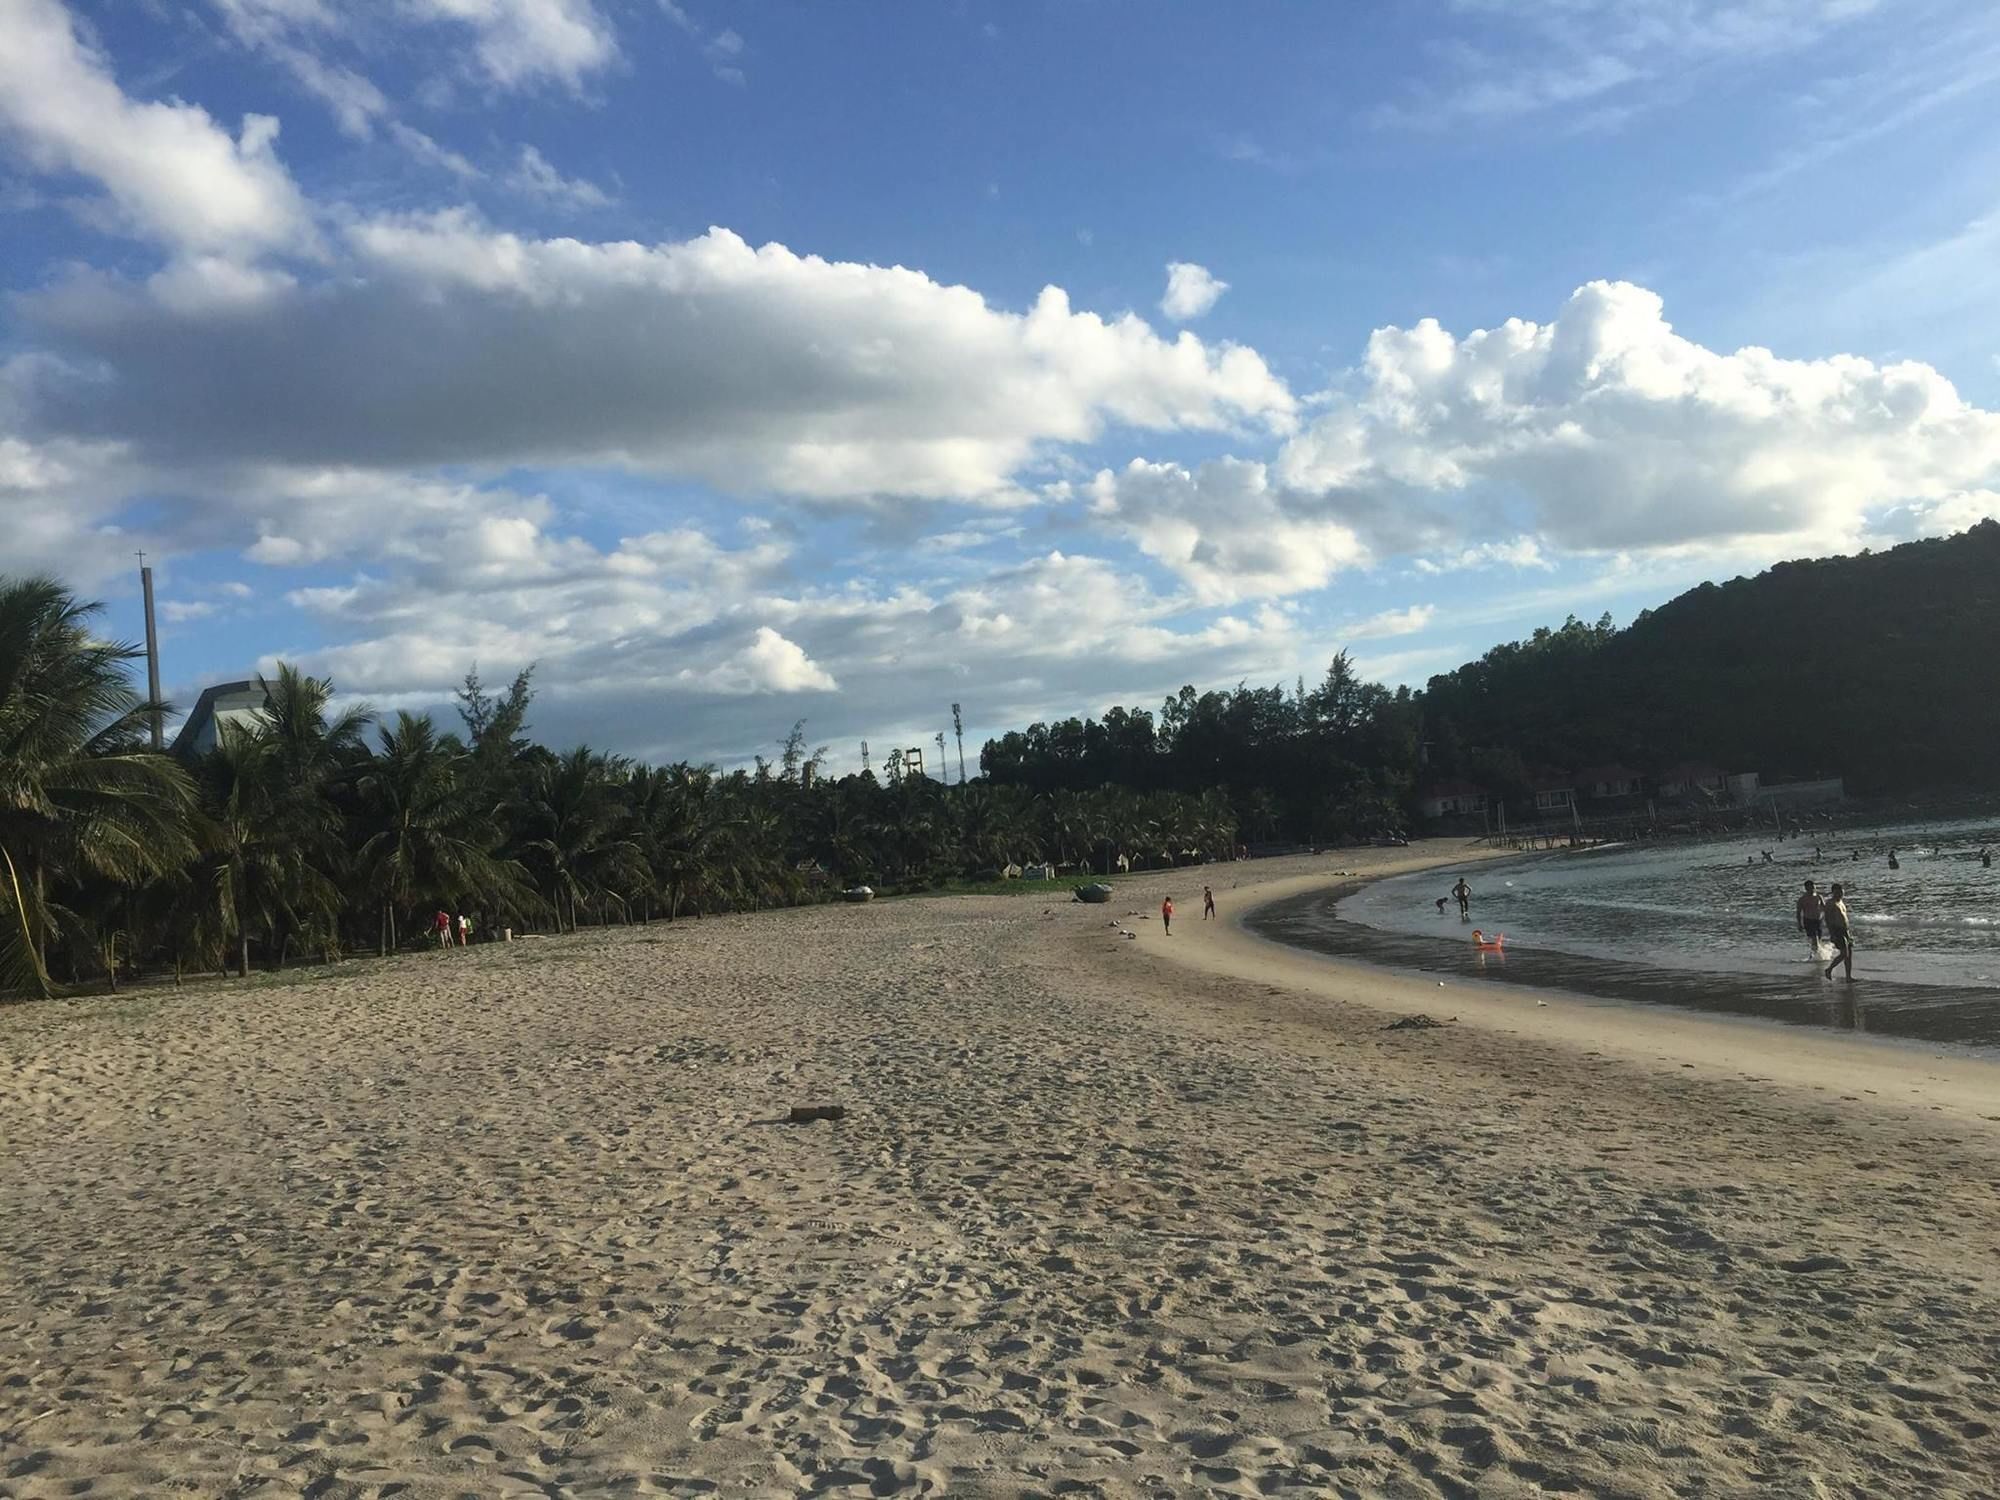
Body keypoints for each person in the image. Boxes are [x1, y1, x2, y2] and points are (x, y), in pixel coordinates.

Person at [1822, 883, 1854, 981]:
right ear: (1833, 892)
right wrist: (1832, 934)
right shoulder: (1830, 903)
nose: (1840, 894)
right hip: (1837, 930)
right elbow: (1827, 919)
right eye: (1837, 892)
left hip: (1846, 930)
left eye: (1841, 891)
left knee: (1849, 954)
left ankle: (1848, 977)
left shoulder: (1841, 902)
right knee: (1844, 953)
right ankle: (1829, 969)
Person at [1795, 880, 1824, 958]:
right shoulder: (1802, 899)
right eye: (1810, 887)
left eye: (1813, 887)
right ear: (1806, 888)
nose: (1812, 889)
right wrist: (1799, 924)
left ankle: (1814, 955)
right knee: (1815, 939)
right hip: (1808, 920)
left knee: (1819, 939)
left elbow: (1824, 908)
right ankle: (1816, 957)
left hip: (1818, 920)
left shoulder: (1819, 897)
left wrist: (1829, 919)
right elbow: (1798, 912)